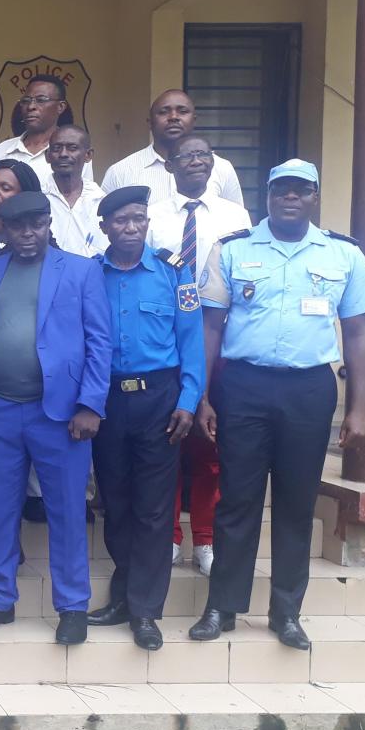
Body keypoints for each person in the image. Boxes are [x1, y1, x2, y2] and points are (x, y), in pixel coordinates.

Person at [188, 159, 365, 650]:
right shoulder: (233, 249)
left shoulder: (344, 254)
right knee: (237, 499)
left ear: (315, 196)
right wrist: (202, 396)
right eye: (281, 190)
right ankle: (222, 606)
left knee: (296, 503)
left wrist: (360, 409)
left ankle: (286, 612)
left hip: (309, 390)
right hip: (244, 387)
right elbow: (210, 327)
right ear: (269, 196)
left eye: (301, 190)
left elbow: (359, 333)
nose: (290, 197)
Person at [0, 191, 112, 645]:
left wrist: (90, 404)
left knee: (66, 510)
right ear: (2, 228)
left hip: (62, 415)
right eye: (18, 226)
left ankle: (72, 605)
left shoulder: (82, 271)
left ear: (49, 224)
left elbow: (100, 341)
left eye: (37, 224)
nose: (28, 233)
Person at [87, 185, 205, 651]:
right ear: (104, 227)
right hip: (107, 400)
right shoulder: (90, 274)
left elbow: (192, 341)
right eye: (121, 220)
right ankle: (123, 596)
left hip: (160, 400)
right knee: (116, 503)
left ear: (148, 222)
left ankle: (145, 611)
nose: (131, 227)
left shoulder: (174, 272)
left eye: (138, 218)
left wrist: (189, 401)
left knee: (155, 509)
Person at [146, 135, 251, 574]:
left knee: (208, 445)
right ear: (169, 165)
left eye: (204, 155)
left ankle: (205, 538)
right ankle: (169, 536)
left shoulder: (235, 215)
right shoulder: (151, 215)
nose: (196, 162)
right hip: (164, 343)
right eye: (186, 156)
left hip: (216, 340)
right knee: (167, 441)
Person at [100, 89, 244, 207]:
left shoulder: (222, 168)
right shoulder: (121, 172)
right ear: (150, 122)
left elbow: (236, 223)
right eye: (163, 112)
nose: (173, 117)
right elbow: (103, 226)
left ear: (194, 120)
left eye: (182, 111)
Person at [0, 75, 93, 186]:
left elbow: (83, 194)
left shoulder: (76, 153)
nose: (31, 106)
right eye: (26, 100)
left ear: (60, 107)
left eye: (41, 100)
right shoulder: (2, 150)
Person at [43, 126, 106, 256]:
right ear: (48, 156)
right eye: (57, 148)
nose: (63, 154)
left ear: (88, 155)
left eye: (72, 148)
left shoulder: (100, 200)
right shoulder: (37, 197)